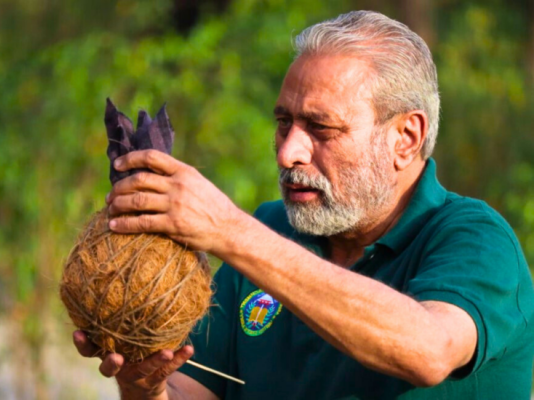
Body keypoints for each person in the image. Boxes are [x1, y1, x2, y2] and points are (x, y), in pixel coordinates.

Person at [73, 10, 534, 400]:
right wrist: (143, 384)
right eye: (283, 122)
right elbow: (188, 390)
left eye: (321, 128)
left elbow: (428, 349)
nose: (287, 151)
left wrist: (230, 231)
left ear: (405, 138)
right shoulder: (272, 226)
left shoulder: (475, 238)